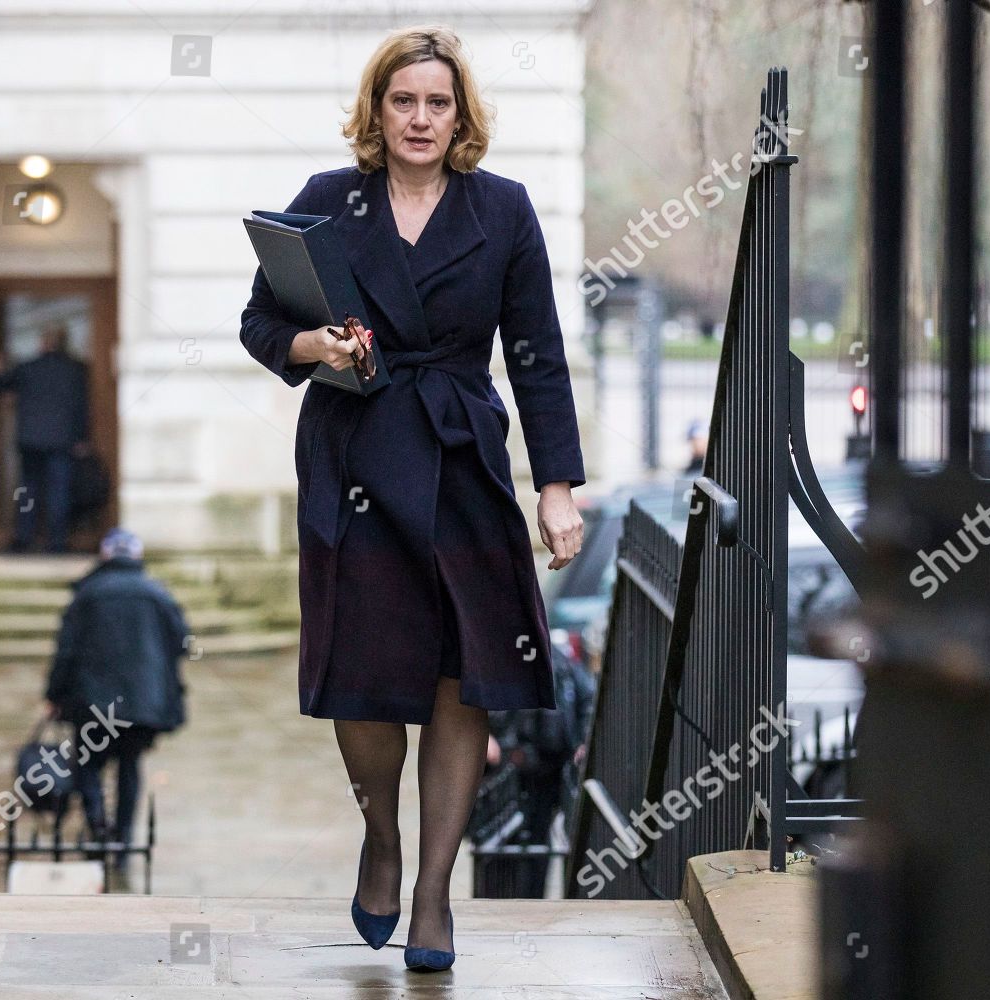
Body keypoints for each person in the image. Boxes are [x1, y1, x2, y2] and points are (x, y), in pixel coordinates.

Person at [237, 25, 585, 972]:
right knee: (366, 670)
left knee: (458, 675)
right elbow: (260, 322)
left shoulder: (503, 210)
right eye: (404, 101)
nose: (421, 119)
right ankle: (380, 835)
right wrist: (318, 349)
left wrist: (555, 487)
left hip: (464, 461)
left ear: (461, 114)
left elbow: (538, 355)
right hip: (354, 459)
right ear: (378, 111)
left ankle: (434, 888)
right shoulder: (324, 203)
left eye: (438, 103)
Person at [43, 528, 188, 868]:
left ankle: (97, 826)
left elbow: (66, 651)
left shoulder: (88, 594)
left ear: (105, 556)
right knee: (129, 765)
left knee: (89, 764)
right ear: (137, 557)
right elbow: (181, 643)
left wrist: (54, 694)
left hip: (94, 703)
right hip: (141, 704)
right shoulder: (158, 593)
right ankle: (123, 841)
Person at [485, 641, 596, 897]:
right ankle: (508, 904)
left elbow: (586, 698)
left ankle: (528, 902)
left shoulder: (555, 657)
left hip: (545, 769)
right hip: (506, 769)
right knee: (501, 845)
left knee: (536, 842)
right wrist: (482, 735)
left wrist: (581, 740)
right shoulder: (507, 654)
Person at [0, 326, 91, 553]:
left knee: (27, 491)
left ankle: (23, 538)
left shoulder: (27, 367)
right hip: (62, 440)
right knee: (58, 492)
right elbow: (82, 407)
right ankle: (57, 542)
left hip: (30, 440)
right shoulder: (75, 370)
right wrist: (82, 438)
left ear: (44, 343)